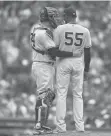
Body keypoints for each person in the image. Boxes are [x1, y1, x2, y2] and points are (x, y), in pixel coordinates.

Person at [30, 7, 82, 135]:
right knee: (44, 95)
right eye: (54, 16)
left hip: (43, 64)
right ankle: (39, 126)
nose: (56, 19)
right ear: (49, 18)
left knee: (48, 95)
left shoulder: (37, 28)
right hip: (43, 65)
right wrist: (72, 53)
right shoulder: (43, 33)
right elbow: (54, 52)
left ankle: (41, 124)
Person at [53, 7, 91, 133]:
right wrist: (87, 70)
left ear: (68, 16)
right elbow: (88, 51)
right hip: (79, 63)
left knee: (62, 94)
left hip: (64, 62)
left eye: (65, 16)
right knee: (78, 95)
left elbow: (56, 51)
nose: (63, 18)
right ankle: (80, 127)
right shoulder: (85, 30)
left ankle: (60, 127)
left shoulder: (60, 29)